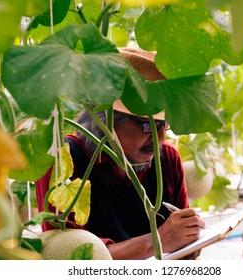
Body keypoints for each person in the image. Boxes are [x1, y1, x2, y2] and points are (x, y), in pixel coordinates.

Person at [35, 48, 205, 260]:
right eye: (148, 126)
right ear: (106, 119)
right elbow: (69, 259)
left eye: (164, 124)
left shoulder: (168, 158)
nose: (160, 138)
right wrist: (158, 240)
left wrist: (190, 241)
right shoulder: (63, 162)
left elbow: (180, 243)